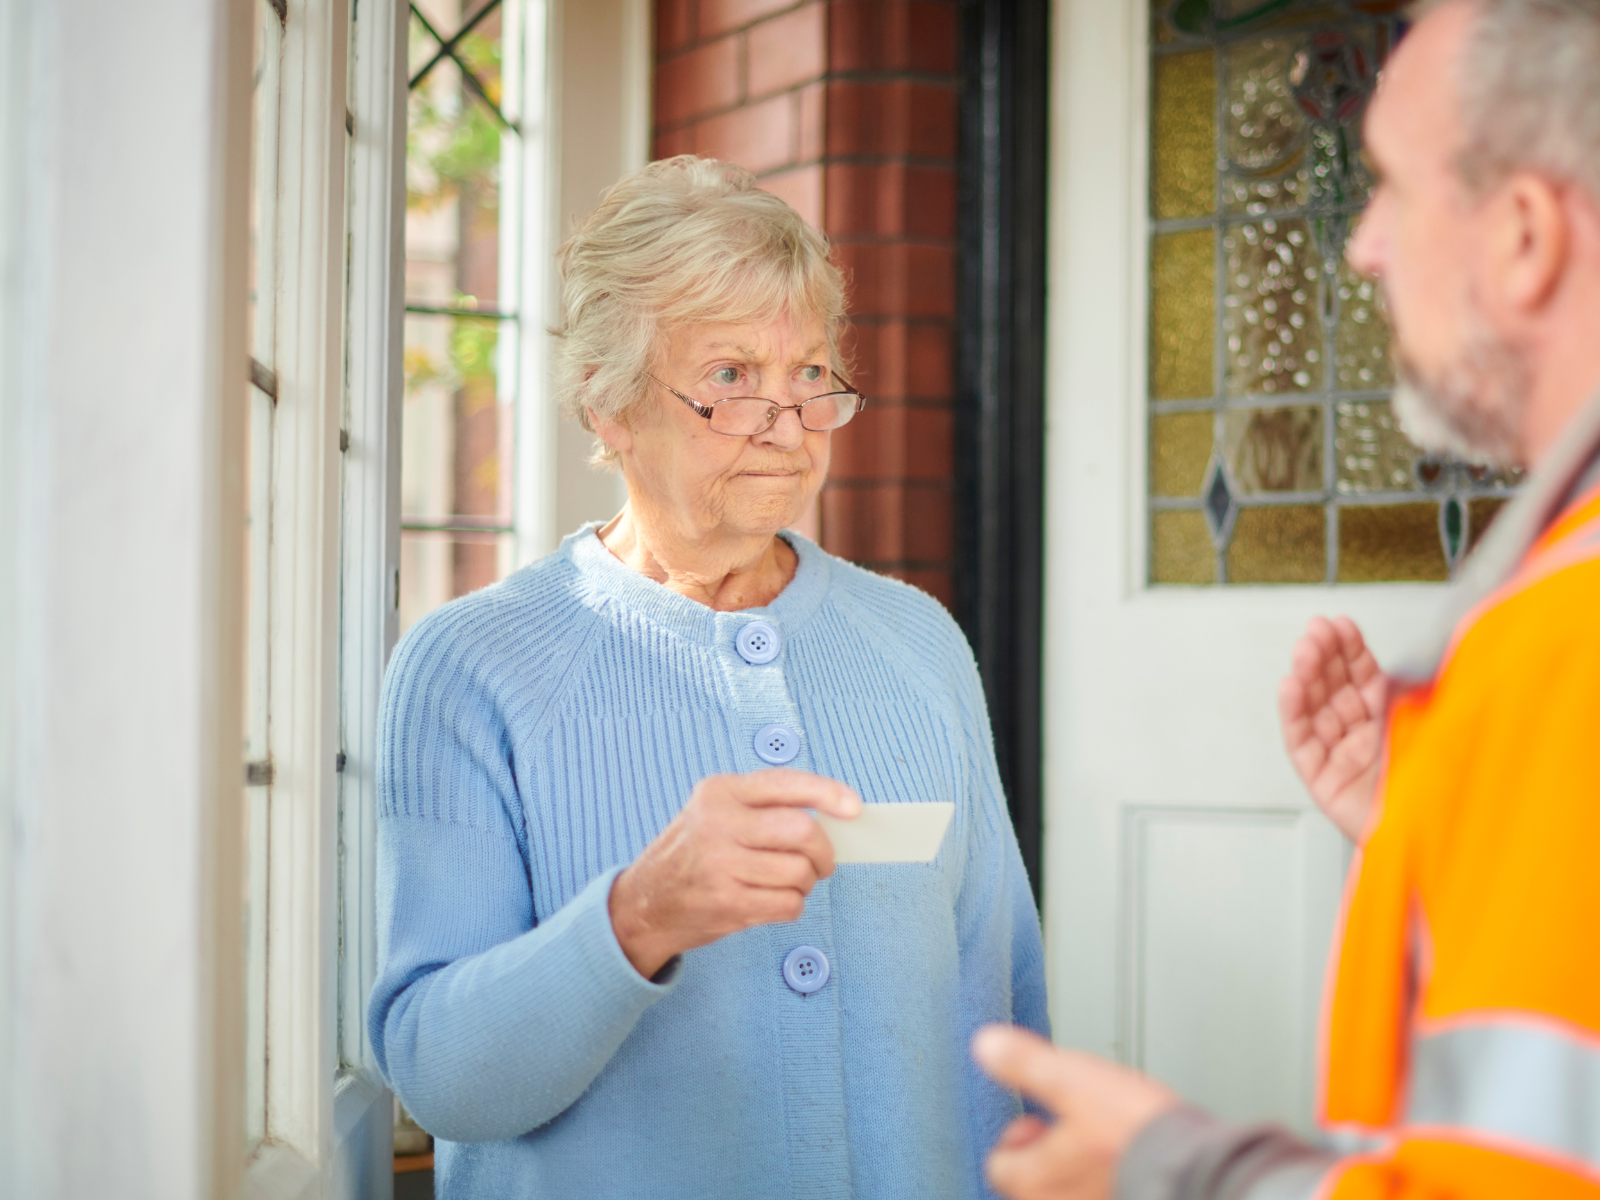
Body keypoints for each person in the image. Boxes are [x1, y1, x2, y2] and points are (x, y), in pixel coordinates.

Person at [970, 1, 1600, 1197]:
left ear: (1523, 237)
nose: (1362, 246)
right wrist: (1428, 828)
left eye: (1392, 188)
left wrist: (1173, 1171)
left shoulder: (1567, 641)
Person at [368, 155, 1049, 1198]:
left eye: (809, 375)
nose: (784, 424)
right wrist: (640, 915)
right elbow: (441, 1078)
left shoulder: (918, 644)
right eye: (731, 378)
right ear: (607, 404)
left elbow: (1000, 1011)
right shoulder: (470, 669)